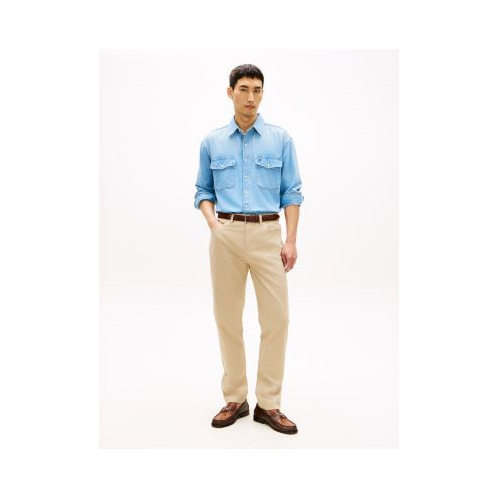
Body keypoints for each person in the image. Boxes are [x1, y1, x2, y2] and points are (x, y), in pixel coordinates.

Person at [194, 64, 304, 435]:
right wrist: (213, 225)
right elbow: (202, 191)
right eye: (244, 89)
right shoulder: (212, 141)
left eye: (257, 90)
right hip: (225, 234)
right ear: (230, 93)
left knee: (277, 319)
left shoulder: (280, 139)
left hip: (267, 233)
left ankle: (268, 403)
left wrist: (290, 239)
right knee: (227, 318)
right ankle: (235, 398)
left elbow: (292, 192)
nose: (251, 97)